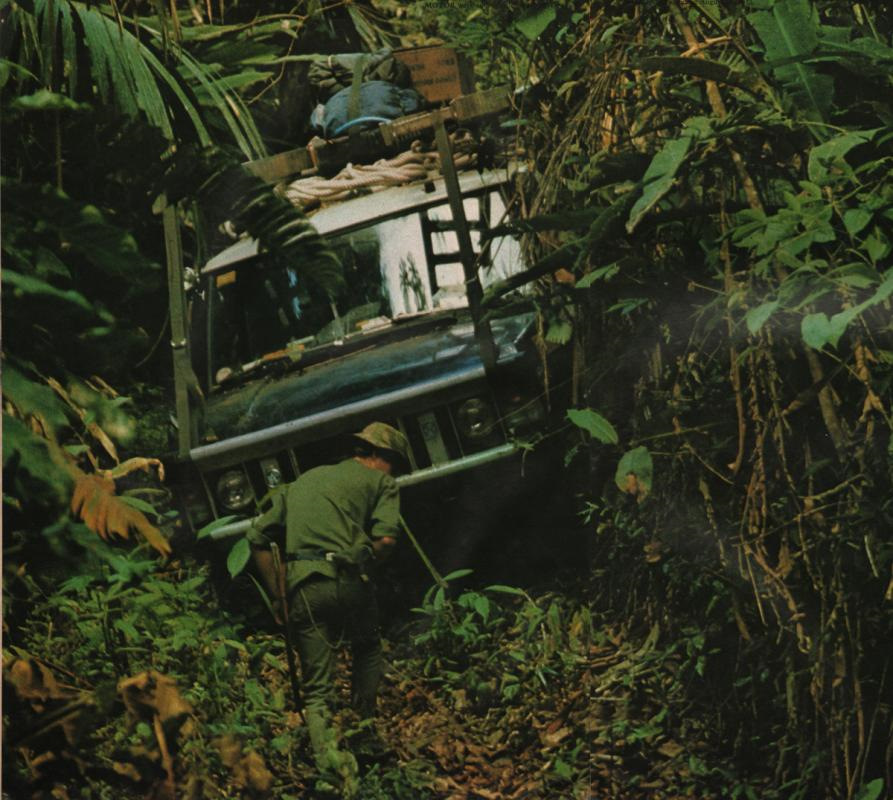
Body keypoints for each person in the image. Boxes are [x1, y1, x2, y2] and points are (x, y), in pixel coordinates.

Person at [247, 421, 411, 794]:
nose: (394, 474)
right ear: (379, 457)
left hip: (303, 588)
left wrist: (279, 595)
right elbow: (385, 540)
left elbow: (257, 537)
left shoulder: (301, 482)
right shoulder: (382, 483)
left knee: (316, 689)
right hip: (349, 580)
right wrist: (366, 560)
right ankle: (364, 734)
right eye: (395, 465)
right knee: (367, 647)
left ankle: (329, 770)